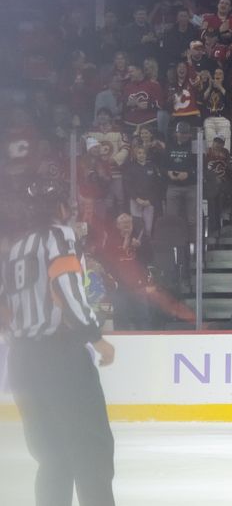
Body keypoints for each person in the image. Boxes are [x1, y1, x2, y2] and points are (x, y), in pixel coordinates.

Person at [2, 180, 116, 505]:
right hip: (60, 356)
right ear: (62, 208)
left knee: (52, 457)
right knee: (92, 450)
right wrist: (94, 336)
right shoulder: (59, 237)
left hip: (22, 361)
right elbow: (66, 287)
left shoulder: (14, 248)